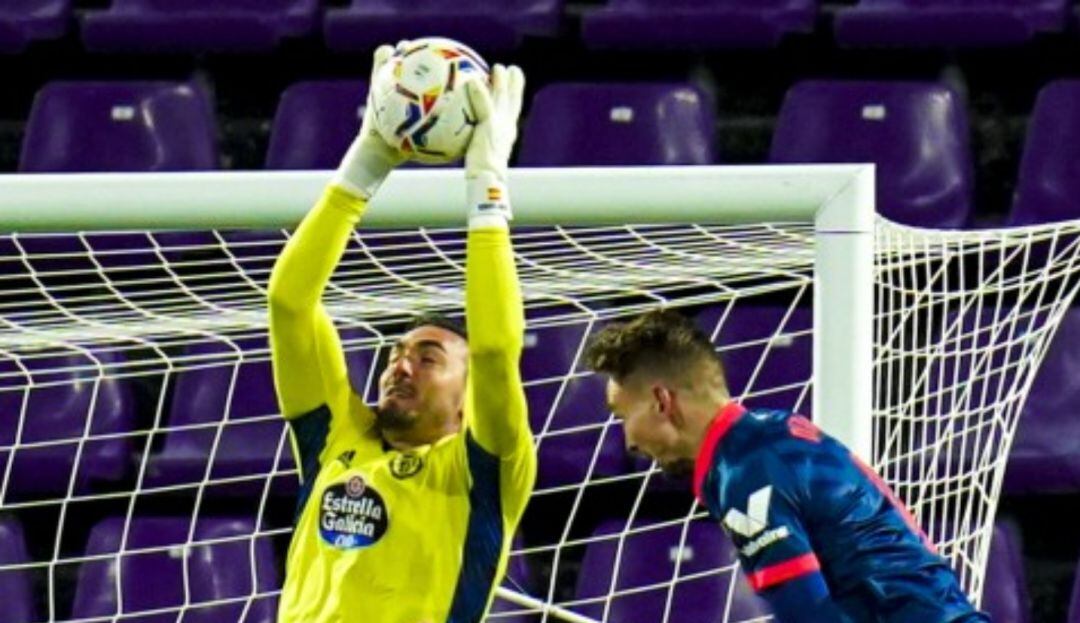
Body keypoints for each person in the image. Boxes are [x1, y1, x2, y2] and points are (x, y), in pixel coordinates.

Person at [268, 43, 535, 623]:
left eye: (429, 357)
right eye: (397, 354)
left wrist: (487, 185)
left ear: (468, 402)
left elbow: (493, 350)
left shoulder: (482, 470)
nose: (400, 366)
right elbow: (289, 303)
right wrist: (365, 163)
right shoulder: (336, 437)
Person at [583, 308, 990, 623]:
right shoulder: (773, 435)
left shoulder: (743, 474)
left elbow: (810, 616)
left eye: (622, 416)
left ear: (661, 402)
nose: (629, 441)